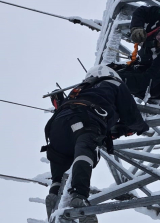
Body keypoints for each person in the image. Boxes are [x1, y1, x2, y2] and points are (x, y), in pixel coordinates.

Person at [43, 65, 149, 222]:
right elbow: (132, 117)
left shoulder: (80, 89)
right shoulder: (114, 83)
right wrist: (141, 127)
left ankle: (55, 191)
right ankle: (79, 196)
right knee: (85, 150)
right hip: (86, 118)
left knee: (60, 158)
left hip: (56, 126)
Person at [109, 5, 160, 104]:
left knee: (152, 88)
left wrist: (120, 79)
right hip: (146, 47)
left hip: (150, 63)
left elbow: (149, 80)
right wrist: (136, 27)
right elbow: (141, 11)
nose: (157, 42)